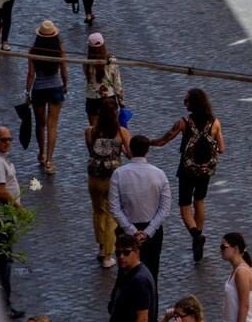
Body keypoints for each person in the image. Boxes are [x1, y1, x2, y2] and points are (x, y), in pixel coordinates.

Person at [151, 87, 227, 263]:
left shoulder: (183, 123)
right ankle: (198, 235)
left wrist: (148, 142)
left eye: (186, 101)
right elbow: (222, 149)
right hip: (205, 170)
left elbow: (163, 140)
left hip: (187, 170)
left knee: (185, 206)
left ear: (193, 104)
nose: (184, 103)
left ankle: (195, 235)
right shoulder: (215, 123)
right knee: (199, 200)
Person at [113, 134, 174, 279]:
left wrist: (132, 230)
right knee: (152, 273)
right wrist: (148, 231)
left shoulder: (119, 174)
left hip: (126, 230)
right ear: (147, 151)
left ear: (130, 150)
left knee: (125, 274)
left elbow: (114, 207)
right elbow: (165, 208)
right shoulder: (159, 174)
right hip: (152, 231)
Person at [0, 125, 27, 318]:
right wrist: (19, 209)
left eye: (9, 139)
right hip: (1, 218)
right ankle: (4, 305)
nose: (7, 142)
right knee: (3, 262)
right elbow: (0, 191)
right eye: (3, 139)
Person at [85, 96, 132, 267]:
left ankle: (100, 246)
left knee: (98, 212)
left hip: (94, 177)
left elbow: (90, 150)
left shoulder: (90, 131)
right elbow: (130, 154)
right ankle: (107, 255)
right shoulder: (121, 132)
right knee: (112, 215)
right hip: (113, 179)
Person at [24, 20, 67, 174]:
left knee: (40, 124)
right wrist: (65, 84)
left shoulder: (33, 50)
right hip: (55, 87)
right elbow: (64, 68)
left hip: (39, 89)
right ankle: (49, 160)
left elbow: (30, 75)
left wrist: (27, 93)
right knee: (52, 125)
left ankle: (41, 153)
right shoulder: (59, 49)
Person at [106, 233, 157, 322]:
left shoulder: (140, 280)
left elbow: (142, 317)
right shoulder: (127, 272)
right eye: (118, 253)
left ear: (137, 252)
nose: (121, 257)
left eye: (126, 252)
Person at [220, 232, 252, 322]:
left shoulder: (242, 272)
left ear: (235, 248)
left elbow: (245, 304)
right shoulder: (236, 270)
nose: (220, 251)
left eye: (223, 247)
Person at [83, 30, 124, 120]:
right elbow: (117, 82)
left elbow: (88, 79)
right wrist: (121, 100)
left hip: (92, 99)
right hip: (109, 98)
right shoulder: (112, 60)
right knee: (111, 129)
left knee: (94, 130)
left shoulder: (86, 62)